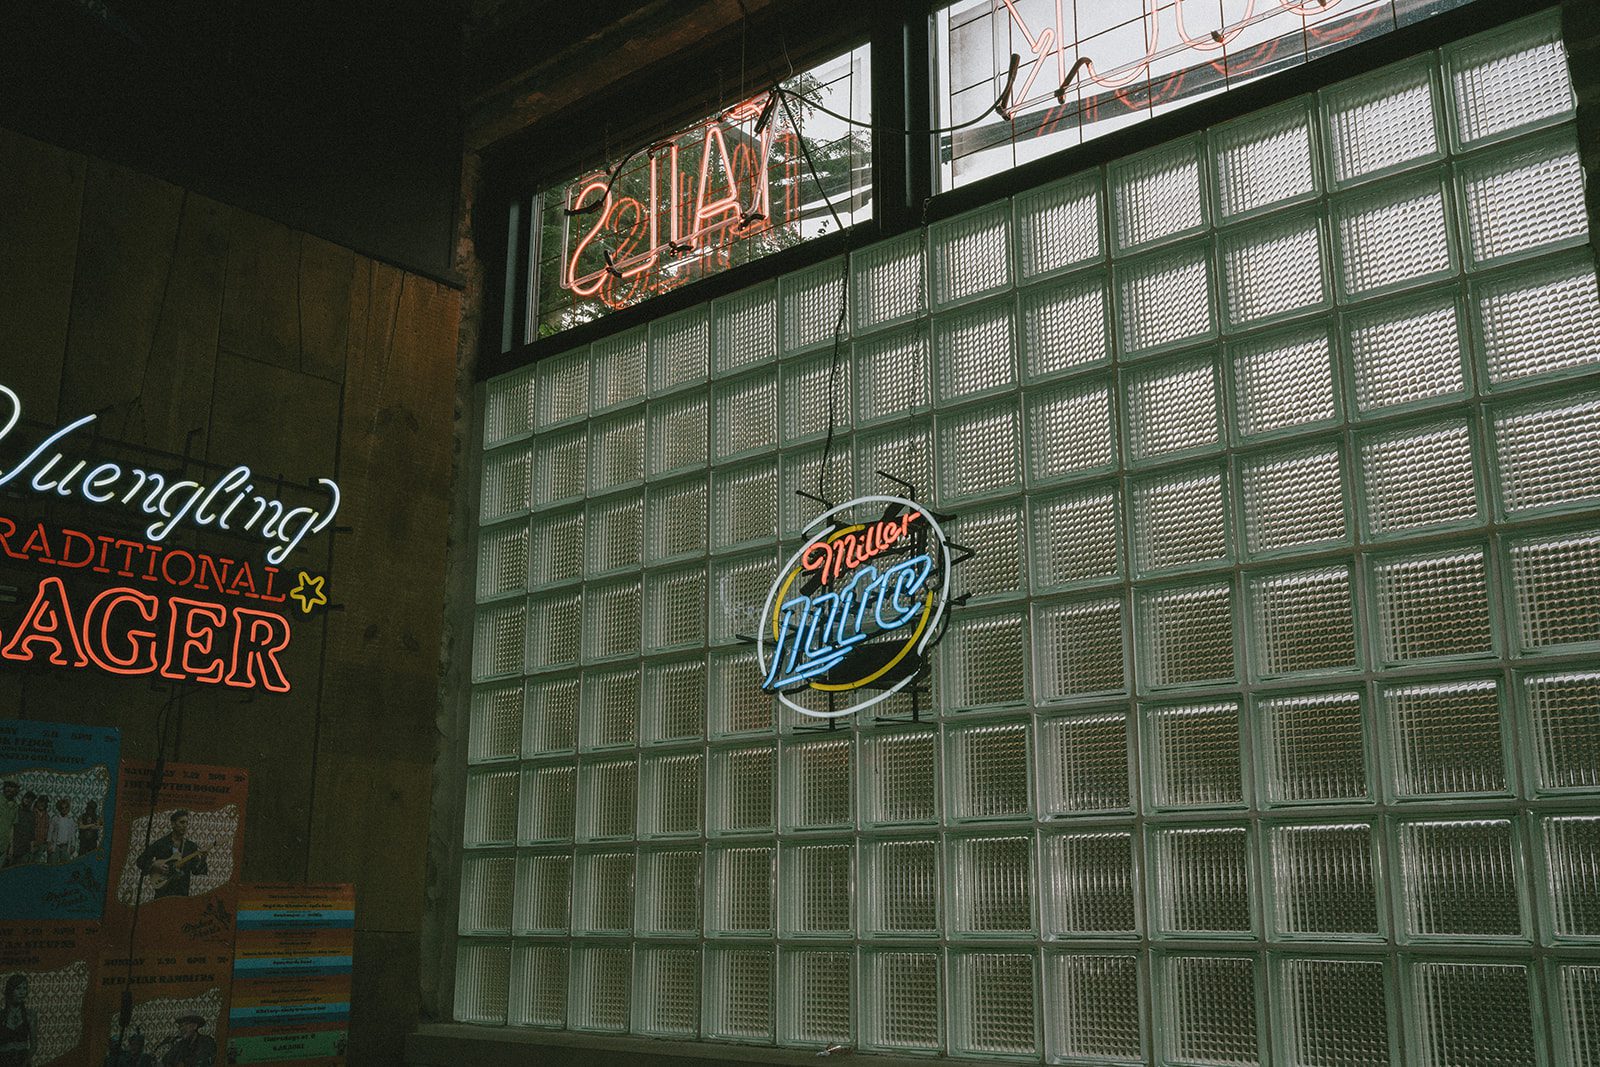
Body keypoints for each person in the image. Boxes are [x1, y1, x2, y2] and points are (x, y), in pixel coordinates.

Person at [135, 811, 207, 898]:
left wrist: (203, 858)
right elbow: (140, 861)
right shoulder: (161, 843)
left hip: (182, 894)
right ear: (173, 824)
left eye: (187, 823)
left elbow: (196, 871)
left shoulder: (191, 846)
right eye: (182, 822)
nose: (185, 825)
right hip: (162, 892)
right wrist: (155, 865)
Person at [0, 974, 36, 1067]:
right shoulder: (1, 1015)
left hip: (23, 1060)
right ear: (10, 990)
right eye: (18, 988)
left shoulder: (30, 1015)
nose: (22, 992)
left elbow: (34, 1045)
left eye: (24, 988)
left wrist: (25, 1063)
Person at [47, 797, 75, 864]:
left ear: (68, 808)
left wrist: (73, 845)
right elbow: (50, 832)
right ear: (59, 808)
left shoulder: (70, 820)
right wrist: (49, 844)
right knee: (52, 865)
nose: (64, 809)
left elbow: (72, 834)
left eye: (66, 807)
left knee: (65, 866)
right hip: (55, 846)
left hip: (65, 847)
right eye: (62, 808)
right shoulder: (55, 818)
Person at [0, 783, 19, 867]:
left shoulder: (15, 806)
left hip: (4, 845)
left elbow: (12, 827)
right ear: (4, 787)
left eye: (13, 787)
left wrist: (11, 847)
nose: (10, 789)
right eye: (8, 786)